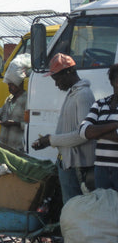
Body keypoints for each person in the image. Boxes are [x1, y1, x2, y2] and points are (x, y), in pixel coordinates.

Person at [32, 53, 95, 204]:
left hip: (78, 165)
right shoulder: (74, 93)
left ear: (69, 72)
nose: (56, 84)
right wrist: (48, 140)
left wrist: (52, 140)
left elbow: (83, 134)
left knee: (76, 208)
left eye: (58, 79)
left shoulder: (83, 95)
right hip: (68, 162)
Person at [79, 63, 118, 192]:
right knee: (103, 208)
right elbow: (83, 131)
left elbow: (90, 132)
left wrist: (97, 132)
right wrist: (115, 125)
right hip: (101, 170)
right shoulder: (100, 104)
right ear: (112, 82)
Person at [0, 56, 28, 151]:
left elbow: (31, 126)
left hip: (17, 148)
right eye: (8, 85)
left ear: (19, 84)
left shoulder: (27, 100)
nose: (9, 87)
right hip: (4, 147)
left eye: (12, 85)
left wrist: (16, 124)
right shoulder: (9, 100)